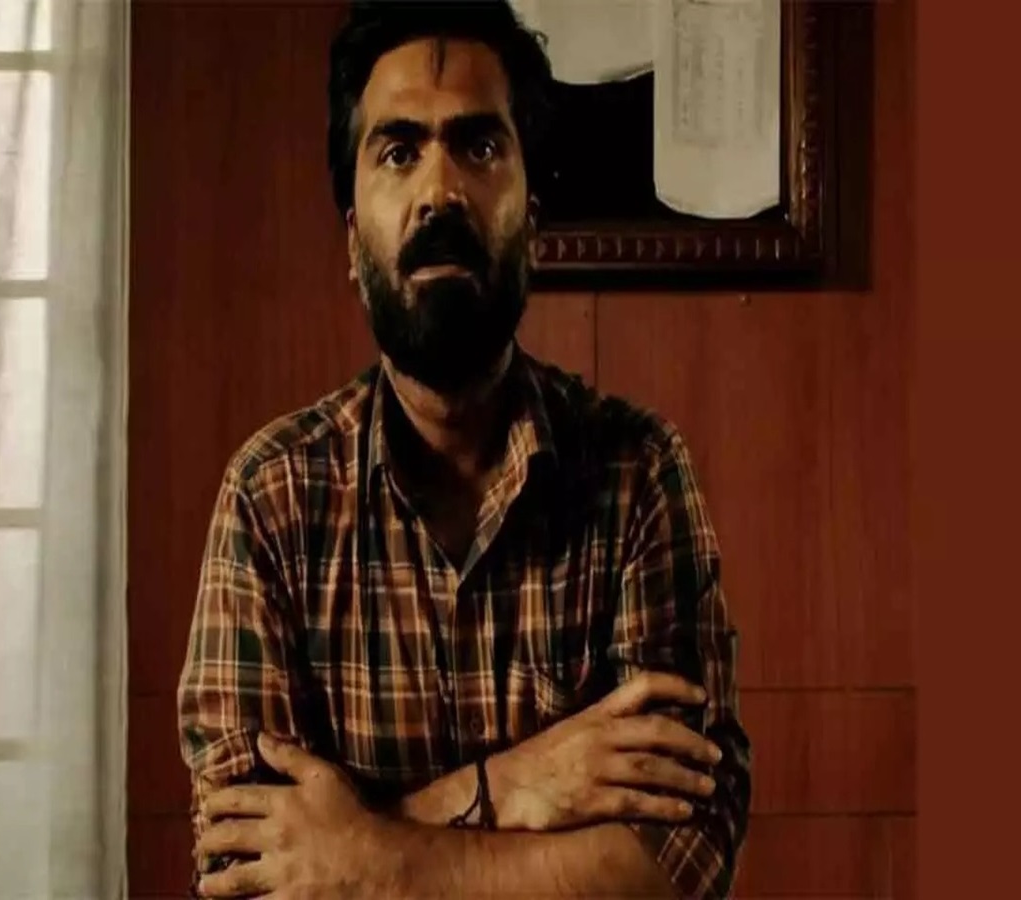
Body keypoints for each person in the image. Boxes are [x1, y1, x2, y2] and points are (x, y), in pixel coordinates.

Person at [176, 2, 751, 897]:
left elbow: (679, 863)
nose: (440, 191)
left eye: (479, 146)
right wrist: (512, 786)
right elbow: (249, 875)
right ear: (351, 240)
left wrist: (364, 854)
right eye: (398, 151)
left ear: (533, 219)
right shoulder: (272, 497)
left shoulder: (638, 474)